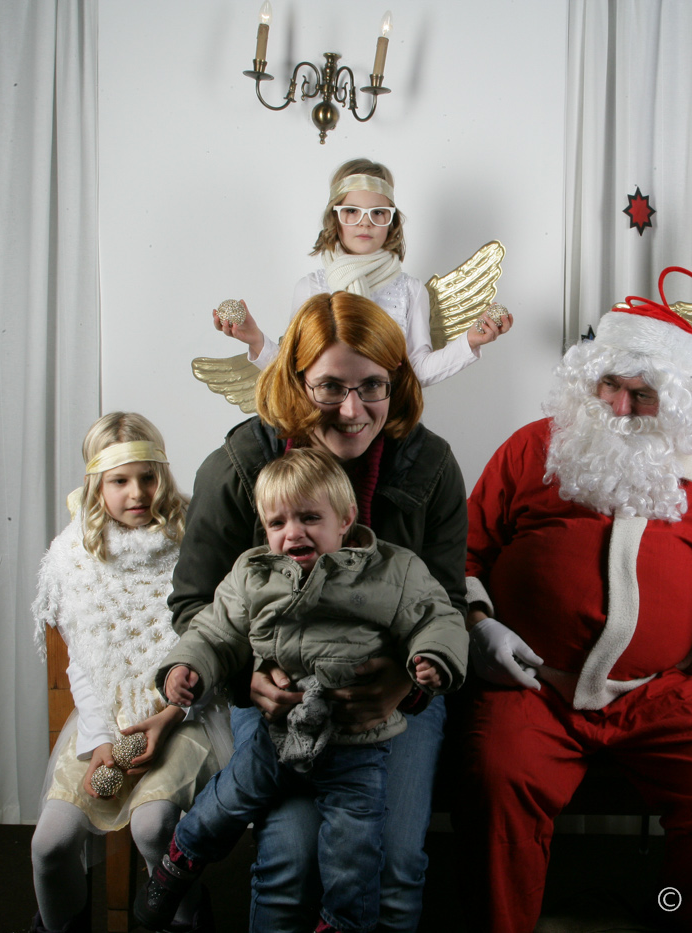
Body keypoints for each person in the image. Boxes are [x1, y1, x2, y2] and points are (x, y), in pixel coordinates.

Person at [455, 302, 692, 932]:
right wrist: (476, 625)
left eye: (644, 394)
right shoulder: (533, 447)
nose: (621, 408)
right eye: (610, 385)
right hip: (532, 685)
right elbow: (463, 550)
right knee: (496, 786)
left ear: (677, 399)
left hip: (661, 693)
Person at [169, 290, 469, 931]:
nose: (352, 410)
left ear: (396, 382)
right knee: (290, 856)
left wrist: (405, 683)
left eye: (372, 385)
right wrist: (245, 676)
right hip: (277, 688)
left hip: (393, 697)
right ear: (295, 379)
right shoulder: (238, 466)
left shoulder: (431, 464)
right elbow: (196, 603)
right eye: (330, 387)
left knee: (393, 865)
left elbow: (447, 603)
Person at [136, 448, 468, 933]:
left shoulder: (393, 570)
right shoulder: (254, 575)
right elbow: (213, 630)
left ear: (346, 520)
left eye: (310, 518)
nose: (293, 533)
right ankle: (179, 861)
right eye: (278, 523)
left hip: (358, 743)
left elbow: (439, 616)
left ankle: (341, 922)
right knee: (223, 803)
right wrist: (188, 667)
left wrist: (431, 658)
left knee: (355, 852)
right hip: (278, 732)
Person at [30, 413, 225, 933]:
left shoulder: (196, 537)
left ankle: (183, 920)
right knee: (50, 845)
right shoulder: (73, 554)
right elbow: (84, 662)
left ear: (164, 473)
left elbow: (218, 642)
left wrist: (170, 715)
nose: (137, 492)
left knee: (153, 826)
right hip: (105, 717)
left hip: (186, 714)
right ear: (97, 483)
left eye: (148, 476)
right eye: (119, 480)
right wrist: (100, 740)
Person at [213, 158, 512, 386]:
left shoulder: (410, 291)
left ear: (391, 222)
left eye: (378, 212)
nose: (365, 222)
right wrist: (255, 339)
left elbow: (416, 372)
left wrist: (469, 342)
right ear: (335, 218)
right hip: (323, 428)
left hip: (388, 427)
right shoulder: (311, 288)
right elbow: (294, 370)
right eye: (352, 211)